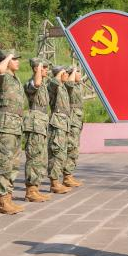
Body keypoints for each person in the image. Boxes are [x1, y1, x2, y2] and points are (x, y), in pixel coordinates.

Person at [0, 49, 26, 215]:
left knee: (14, 163)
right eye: (14, 59)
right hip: (5, 125)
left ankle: (8, 197)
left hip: (16, 125)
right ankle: (2, 200)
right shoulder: (3, 76)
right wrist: (8, 57)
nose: (17, 61)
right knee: (4, 163)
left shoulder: (15, 78)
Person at [22, 58, 52, 203]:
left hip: (41, 122)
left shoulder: (44, 84)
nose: (46, 70)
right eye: (43, 67)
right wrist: (38, 68)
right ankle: (31, 190)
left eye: (46, 67)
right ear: (36, 69)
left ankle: (36, 188)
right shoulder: (31, 83)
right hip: (35, 123)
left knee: (40, 157)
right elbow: (36, 83)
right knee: (34, 157)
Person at [46, 65, 73, 195]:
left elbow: (71, 83)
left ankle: (58, 181)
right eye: (65, 73)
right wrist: (58, 73)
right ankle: (54, 183)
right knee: (56, 153)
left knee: (61, 153)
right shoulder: (53, 86)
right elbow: (54, 83)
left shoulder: (63, 87)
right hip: (57, 123)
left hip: (63, 123)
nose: (67, 75)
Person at [62, 65, 85, 188]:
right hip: (72, 120)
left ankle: (69, 174)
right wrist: (73, 71)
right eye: (78, 72)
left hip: (78, 119)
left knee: (75, 147)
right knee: (71, 147)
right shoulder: (68, 86)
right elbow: (69, 83)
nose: (80, 74)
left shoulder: (78, 85)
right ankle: (67, 176)